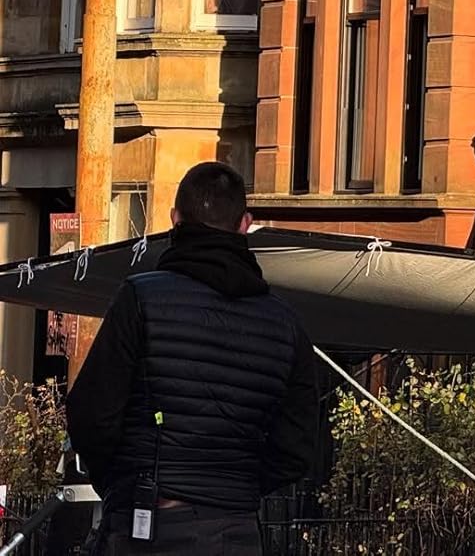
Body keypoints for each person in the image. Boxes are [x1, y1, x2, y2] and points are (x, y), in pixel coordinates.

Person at [67, 162, 318, 555]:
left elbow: (91, 414)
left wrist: (122, 483)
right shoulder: (285, 323)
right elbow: (298, 445)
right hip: (235, 528)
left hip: (151, 522)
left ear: (174, 219)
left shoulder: (141, 299)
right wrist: (235, 489)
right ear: (245, 224)